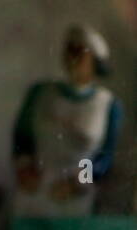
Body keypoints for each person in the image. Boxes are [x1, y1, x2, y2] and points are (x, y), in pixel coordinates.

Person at [13, 23, 122, 218]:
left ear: (94, 61)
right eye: (69, 51)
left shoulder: (107, 104)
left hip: (79, 197)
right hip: (36, 189)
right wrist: (24, 168)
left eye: (80, 54)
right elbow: (22, 137)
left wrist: (77, 183)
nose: (73, 59)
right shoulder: (40, 94)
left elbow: (104, 157)